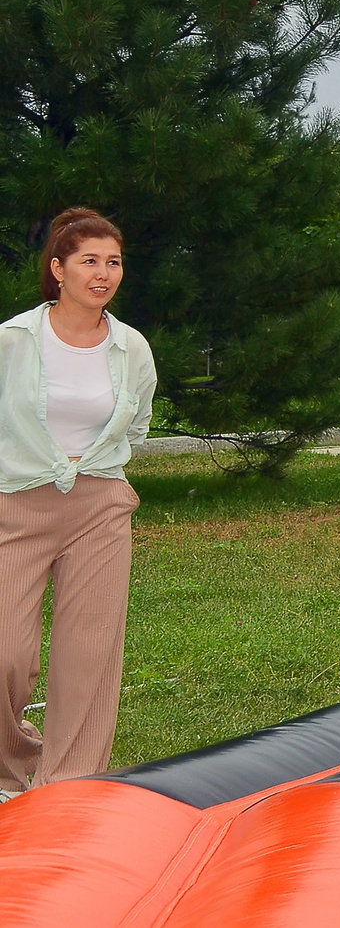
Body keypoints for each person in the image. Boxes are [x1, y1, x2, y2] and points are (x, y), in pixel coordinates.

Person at [1, 209, 157, 798]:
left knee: (88, 653)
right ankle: (10, 767)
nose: (103, 273)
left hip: (99, 506)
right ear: (58, 269)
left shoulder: (130, 347)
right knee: (4, 653)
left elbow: (136, 423)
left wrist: (94, 469)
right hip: (15, 504)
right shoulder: (13, 340)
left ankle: (69, 786)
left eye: (113, 262)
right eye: (88, 261)